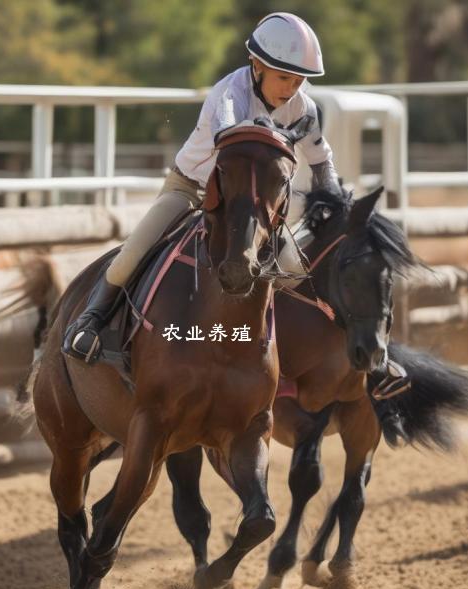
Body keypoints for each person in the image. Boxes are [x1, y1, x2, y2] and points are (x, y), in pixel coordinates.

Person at [63, 12, 341, 363]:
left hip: (253, 203)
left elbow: (321, 161)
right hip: (192, 188)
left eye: (299, 81)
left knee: (296, 270)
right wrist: (286, 135)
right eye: (284, 77)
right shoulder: (228, 94)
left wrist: (330, 199)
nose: (291, 89)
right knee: (131, 255)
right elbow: (233, 140)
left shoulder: (304, 107)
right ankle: (91, 322)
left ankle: (270, 347)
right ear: (256, 65)